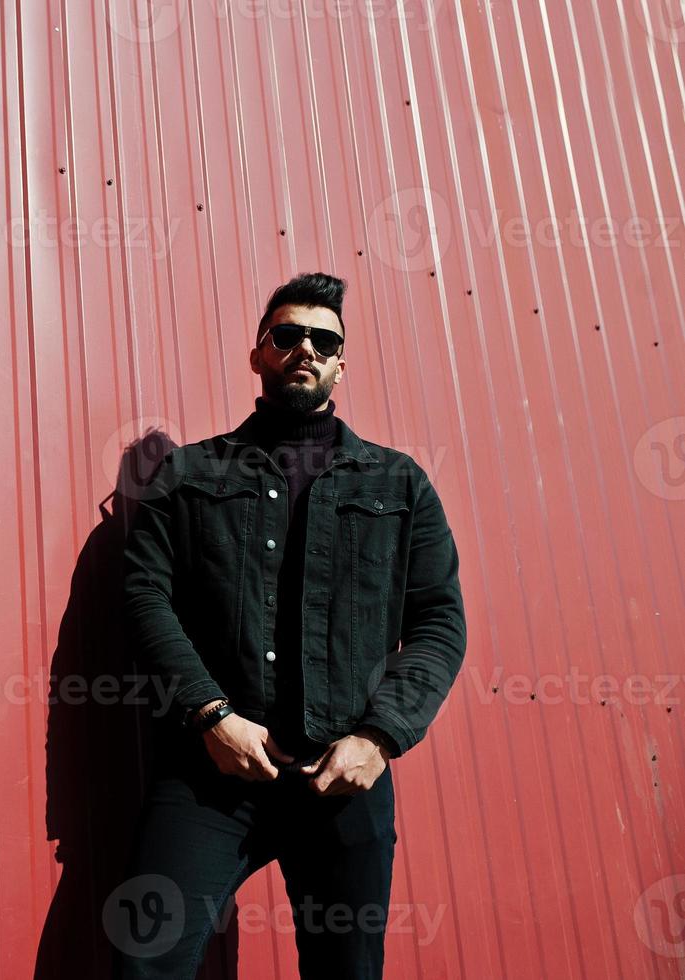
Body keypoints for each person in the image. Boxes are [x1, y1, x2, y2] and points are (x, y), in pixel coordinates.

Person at [112, 272, 467, 978]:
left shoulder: (398, 484)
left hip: (342, 775)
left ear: (340, 362)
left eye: (322, 339)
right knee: (144, 958)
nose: (304, 347)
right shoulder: (187, 475)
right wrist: (211, 714)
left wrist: (379, 737)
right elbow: (143, 596)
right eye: (286, 334)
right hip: (211, 773)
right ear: (258, 354)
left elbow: (437, 621)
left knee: (346, 969)